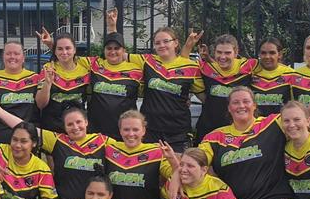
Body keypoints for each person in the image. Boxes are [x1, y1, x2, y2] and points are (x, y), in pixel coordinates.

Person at [107, 8, 205, 152]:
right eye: (157, 43)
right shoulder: (147, 61)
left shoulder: (191, 66)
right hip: (150, 130)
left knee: (176, 171)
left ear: (176, 43)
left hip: (178, 132)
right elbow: (117, 53)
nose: (162, 45)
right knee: (151, 172)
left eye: (166, 41)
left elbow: (205, 98)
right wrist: (112, 26)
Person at [38, 23, 143, 139]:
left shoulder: (136, 70)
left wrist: (112, 27)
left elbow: (67, 53)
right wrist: (51, 44)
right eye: (109, 48)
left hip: (121, 129)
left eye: (117, 48)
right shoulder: (95, 64)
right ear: (104, 50)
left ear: (124, 50)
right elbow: (66, 55)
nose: (112, 52)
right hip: (90, 127)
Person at [181, 32, 258, 142]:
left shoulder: (249, 66)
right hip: (209, 128)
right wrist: (189, 46)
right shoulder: (206, 68)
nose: (222, 57)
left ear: (236, 52)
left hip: (241, 131)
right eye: (219, 52)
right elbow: (182, 65)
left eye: (227, 53)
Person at [35, 33, 90, 133]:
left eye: (68, 48)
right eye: (60, 49)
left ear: (74, 50)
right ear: (54, 51)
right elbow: (40, 104)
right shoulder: (48, 68)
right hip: (52, 127)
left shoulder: (86, 70)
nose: (64, 52)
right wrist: (47, 83)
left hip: (76, 128)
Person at [251, 37, 297, 116]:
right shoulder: (250, 73)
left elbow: (295, 105)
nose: (267, 56)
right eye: (263, 53)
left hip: (280, 125)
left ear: (279, 54)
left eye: (272, 53)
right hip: (255, 125)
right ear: (259, 54)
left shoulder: (291, 74)